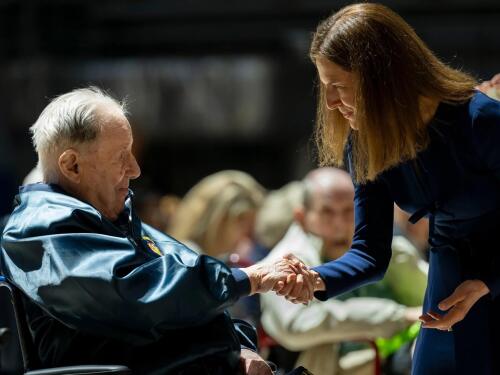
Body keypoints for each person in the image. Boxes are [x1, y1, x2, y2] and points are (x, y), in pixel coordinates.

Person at [0, 87, 314, 374]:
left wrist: (241, 348)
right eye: (121, 157)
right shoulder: (40, 229)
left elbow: (191, 285)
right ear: (72, 166)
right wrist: (252, 278)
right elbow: (137, 294)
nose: (135, 170)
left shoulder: (119, 216)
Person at [298, 3, 500, 374]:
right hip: (446, 300)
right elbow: (370, 254)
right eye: (325, 88)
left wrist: (487, 282)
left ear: (381, 78)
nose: (329, 102)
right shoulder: (364, 143)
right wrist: (313, 279)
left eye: (338, 87)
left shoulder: (482, 121)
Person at [260, 168, 422, 375]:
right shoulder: (284, 263)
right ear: (302, 217)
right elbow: (296, 325)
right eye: (327, 212)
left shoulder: (392, 251)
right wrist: (397, 316)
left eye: (348, 211)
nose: (339, 224)